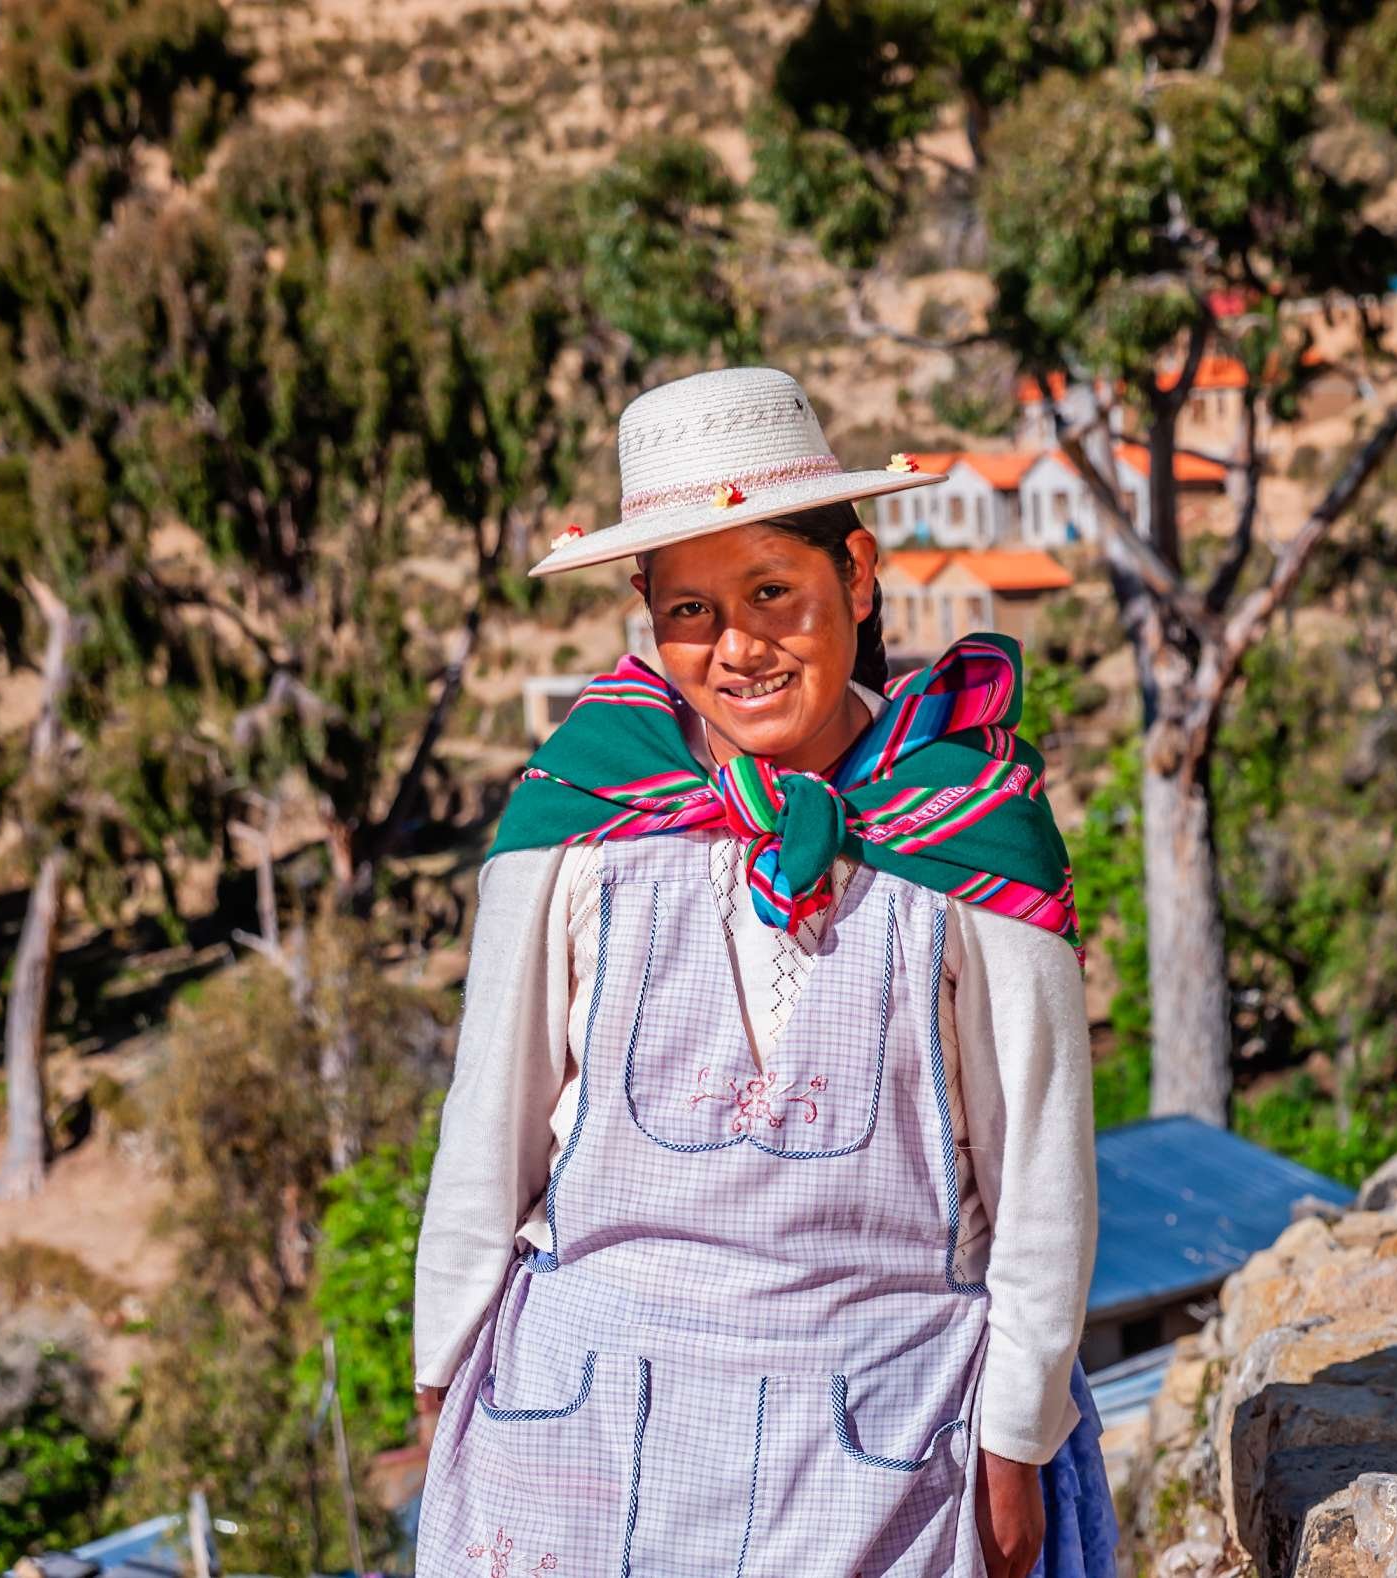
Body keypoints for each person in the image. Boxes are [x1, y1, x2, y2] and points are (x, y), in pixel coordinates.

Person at [409, 366, 1113, 1577]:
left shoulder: (966, 826)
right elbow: (489, 1130)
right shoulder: (578, 817)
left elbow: (1039, 1172)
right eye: (690, 610)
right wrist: (444, 1393)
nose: (738, 647)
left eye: (774, 592)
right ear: (645, 610)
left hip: (889, 1443)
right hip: (582, 1437)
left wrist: (1013, 1439)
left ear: (856, 573)